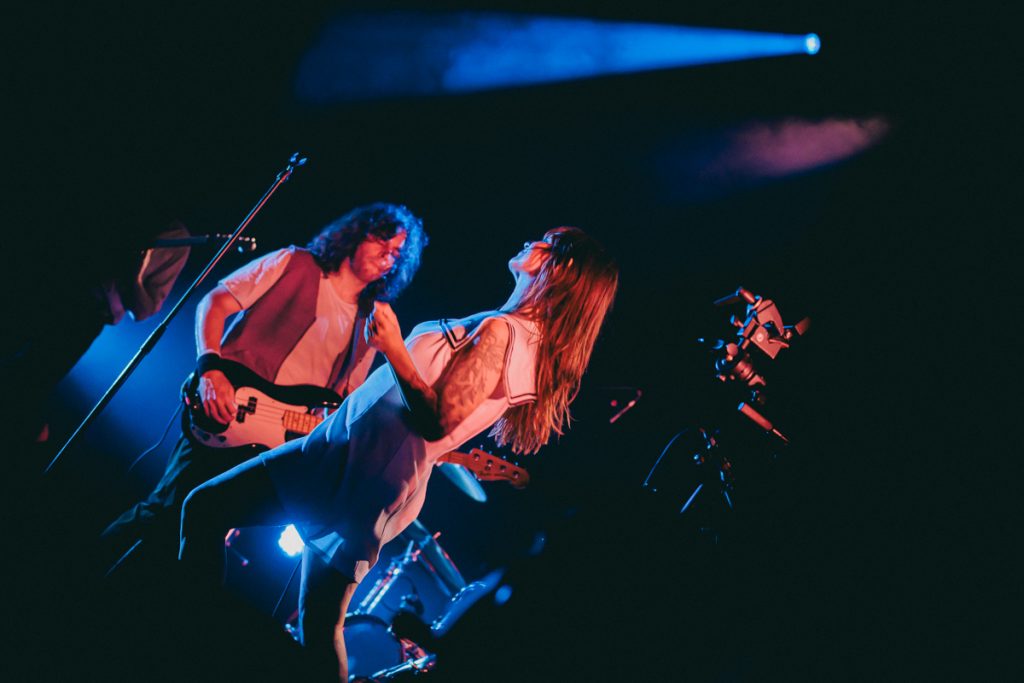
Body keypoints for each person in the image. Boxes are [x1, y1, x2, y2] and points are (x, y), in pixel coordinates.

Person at [178, 226, 619, 680]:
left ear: (563, 266)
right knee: (319, 622)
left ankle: (194, 646)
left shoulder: (503, 333)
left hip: (356, 467)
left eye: (546, 241)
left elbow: (438, 421)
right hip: (359, 466)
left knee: (205, 509)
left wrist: (392, 346)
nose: (531, 241)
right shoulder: (521, 339)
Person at [101, 203, 427, 568]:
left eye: (396, 253)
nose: (386, 257)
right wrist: (210, 369)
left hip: (277, 447)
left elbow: (344, 403)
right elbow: (215, 303)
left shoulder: (373, 322)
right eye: (382, 241)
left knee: (205, 525)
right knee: (165, 511)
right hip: (228, 411)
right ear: (358, 233)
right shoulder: (294, 262)